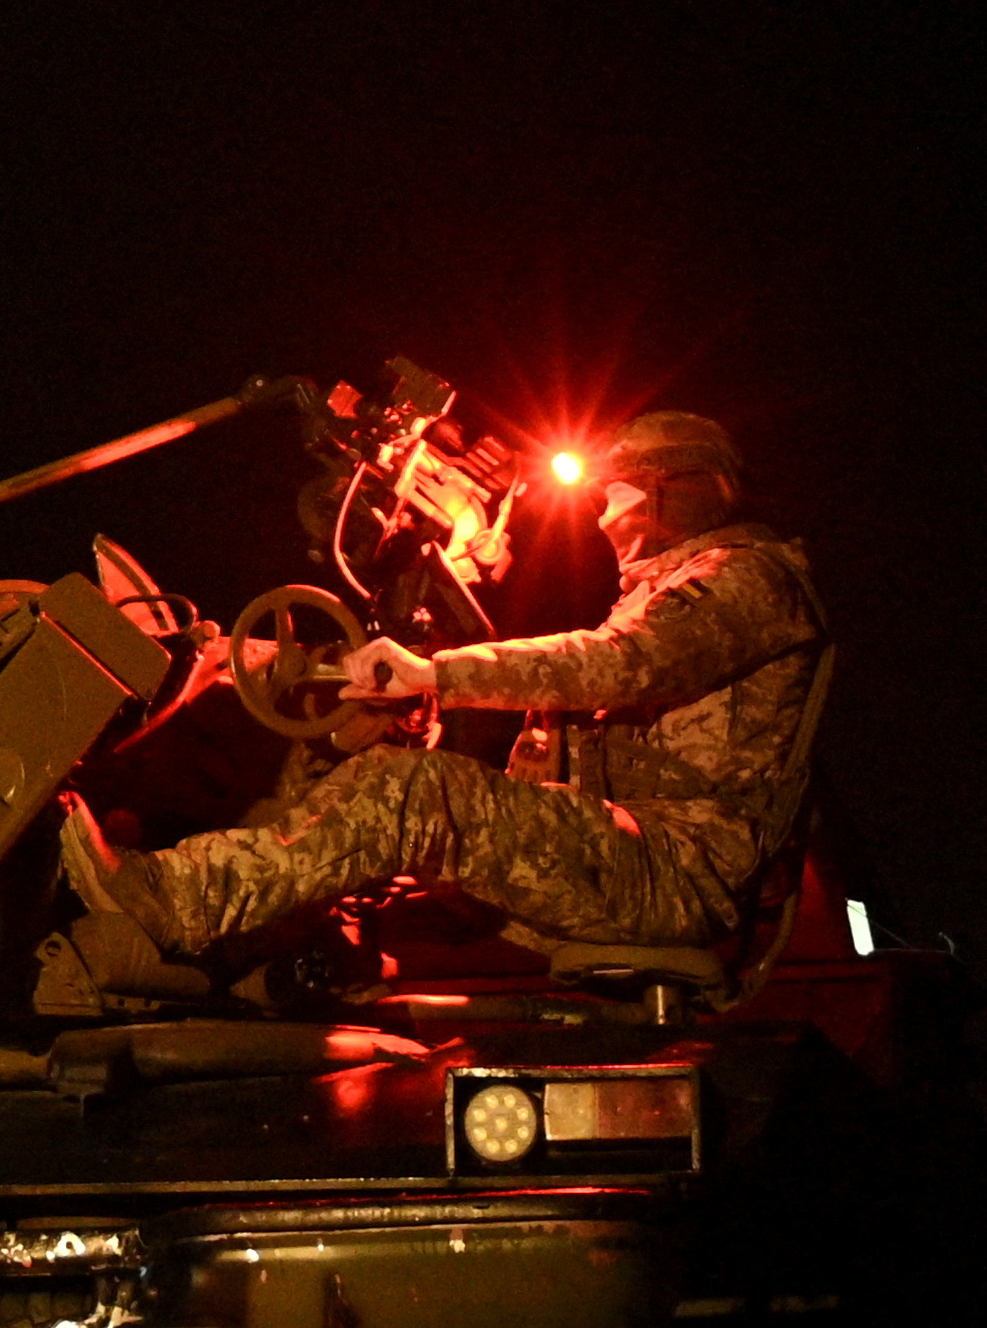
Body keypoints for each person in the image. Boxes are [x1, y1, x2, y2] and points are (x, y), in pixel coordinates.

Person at [63, 407, 826, 966]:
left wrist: (441, 675)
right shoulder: (681, 592)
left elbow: (620, 662)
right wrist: (428, 701)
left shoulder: (747, 581)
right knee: (362, 879)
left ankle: (176, 901)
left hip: (673, 870)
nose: (601, 515)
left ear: (672, 493)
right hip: (626, 852)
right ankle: (210, 954)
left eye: (617, 493)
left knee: (417, 795)